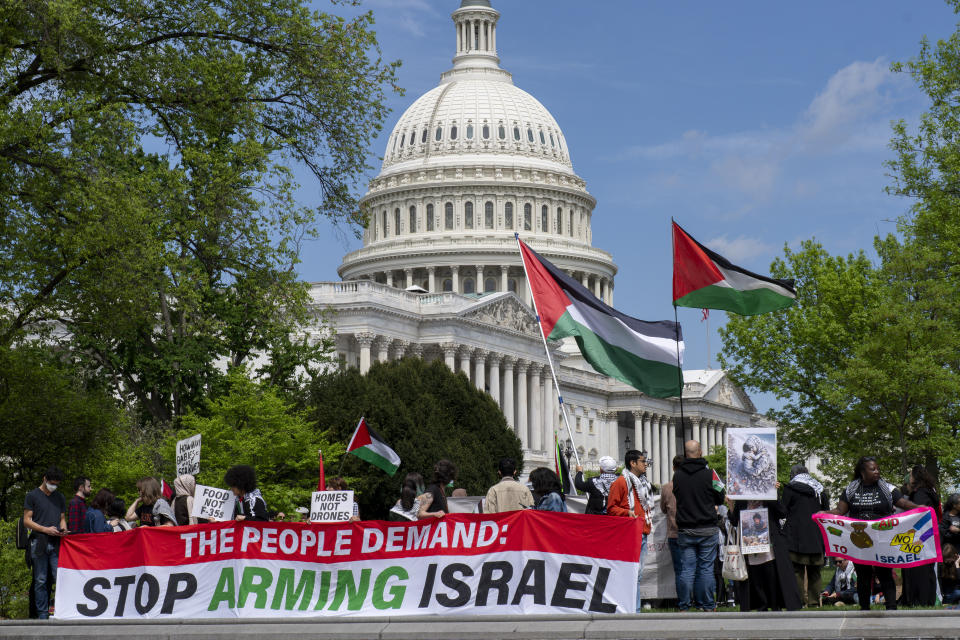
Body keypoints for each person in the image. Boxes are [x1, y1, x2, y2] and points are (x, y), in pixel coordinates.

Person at [831, 456, 918, 610]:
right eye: (873, 469)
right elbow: (840, 511)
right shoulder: (851, 489)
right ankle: (864, 608)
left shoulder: (888, 488)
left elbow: (903, 503)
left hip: (881, 538)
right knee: (863, 576)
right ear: (862, 472)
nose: (877, 472)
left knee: (884, 573)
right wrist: (823, 512)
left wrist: (919, 507)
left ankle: (891, 608)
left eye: (877, 468)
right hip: (858, 539)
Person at [673, 440, 724, 612]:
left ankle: (684, 605)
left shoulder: (677, 475)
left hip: (686, 528)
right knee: (706, 568)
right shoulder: (711, 474)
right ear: (700, 452)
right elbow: (721, 497)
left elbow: (677, 495)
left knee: (687, 569)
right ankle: (708, 604)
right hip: (707, 527)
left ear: (686, 454)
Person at [732, 495, 802, 611]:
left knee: (771, 575)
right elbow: (735, 520)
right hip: (751, 547)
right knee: (755, 576)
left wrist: (773, 494)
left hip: (769, 544)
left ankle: (775, 604)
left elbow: (782, 512)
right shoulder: (742, 500)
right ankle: (762, 604)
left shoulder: (768, 497)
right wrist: (730, 504)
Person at [607, 449, 651, 612]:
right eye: (642, 461)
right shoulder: (620, 482)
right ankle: (634, 610)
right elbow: (611, 508)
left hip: (642, 532)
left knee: (637, 575)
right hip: (629, 533)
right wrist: (626, 512)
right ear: (633, 463)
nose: (645, 464)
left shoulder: (643, 483)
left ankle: (634, 609)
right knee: (632, 575)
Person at [782, 463, 830, 607]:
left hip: (795, 536)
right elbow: (826, 511)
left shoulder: (790, 489)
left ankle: (799, 601)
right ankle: (815, 602)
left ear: (793, 475)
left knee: (797, 571)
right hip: (816, 535)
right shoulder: (820, 489)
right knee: (815, 572)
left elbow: (783, 510)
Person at [23, 466, 66, 620]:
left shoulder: (60, 497)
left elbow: (62, 518)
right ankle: (42, 614)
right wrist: (45, 529)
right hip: (39, 542)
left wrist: (63, 530)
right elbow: (26, 520)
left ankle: (62, 611)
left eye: (56, 484)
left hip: (56, 542)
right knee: (40, 580)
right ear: (44, 479)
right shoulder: (32, 495)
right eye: (52, 483)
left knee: (59, 578)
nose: (53, 486)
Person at [901, 465, 940, 607]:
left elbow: (920, 516)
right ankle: (927, 599)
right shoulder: (930, 491)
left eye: (910, 476)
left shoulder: (920, 494)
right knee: (927, 570)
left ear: (915, 478)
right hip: (929, 537)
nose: (909, 479)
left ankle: (918, 600)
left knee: (919, 570)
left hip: (920, 538)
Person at [660, 455, 685, 601]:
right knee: (695, 568)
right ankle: (699, 600)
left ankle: (683, 602)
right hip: (691, 531)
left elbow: (663, 509)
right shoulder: (691, 484)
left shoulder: (667, 487)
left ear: (673, 467)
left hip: (674, 532)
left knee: (680, 570)